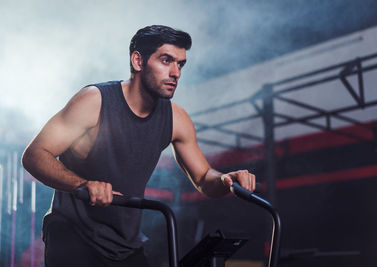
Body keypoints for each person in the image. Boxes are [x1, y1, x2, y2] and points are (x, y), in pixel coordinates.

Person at [22, 25, 256, 267]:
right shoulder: (94, 101)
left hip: (125, 244)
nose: (176, 72)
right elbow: (34, 155)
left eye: (180, 64)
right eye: (166, 61)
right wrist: (83, 185)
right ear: (138, 61)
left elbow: (204, 177)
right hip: (73, 233)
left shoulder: (177, 119)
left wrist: (227, 180)